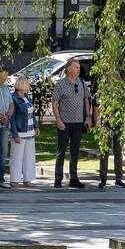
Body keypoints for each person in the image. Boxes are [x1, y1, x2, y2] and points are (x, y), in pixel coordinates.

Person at [52, 58, 92, 188]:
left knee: (75, 151)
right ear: (69, 69)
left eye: (79, 68)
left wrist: (88, 116)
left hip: (78, 122)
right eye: (76, 67)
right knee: (61, 151)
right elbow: (55, 103)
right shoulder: (61, 84)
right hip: (64, 122)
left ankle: (74, 178)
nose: (78, 70)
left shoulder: (81, 83)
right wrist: (58, 120)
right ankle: (58, 179)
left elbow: (86, 99)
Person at [92, 76, 125, 189]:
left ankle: (119, 179)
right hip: (105, 126)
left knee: (118, 152)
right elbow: (96, 110)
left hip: (118, 126)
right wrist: (98, 125)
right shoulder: (100, 93)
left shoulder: (121, 93)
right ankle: (103, 179)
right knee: (104, 153)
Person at [8, 77, 39, 187]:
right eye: (27, 84)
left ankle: (28, 179)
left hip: (30, 132)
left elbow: (32, 113)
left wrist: (36, 126)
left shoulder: (27, 97)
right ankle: (14, 180)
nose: (29, 85)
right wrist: (15, 134)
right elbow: (12, 118)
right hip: (20, 133)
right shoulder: (14, 98)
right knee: (17, 157)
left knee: (29, 156)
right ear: (21, 85)